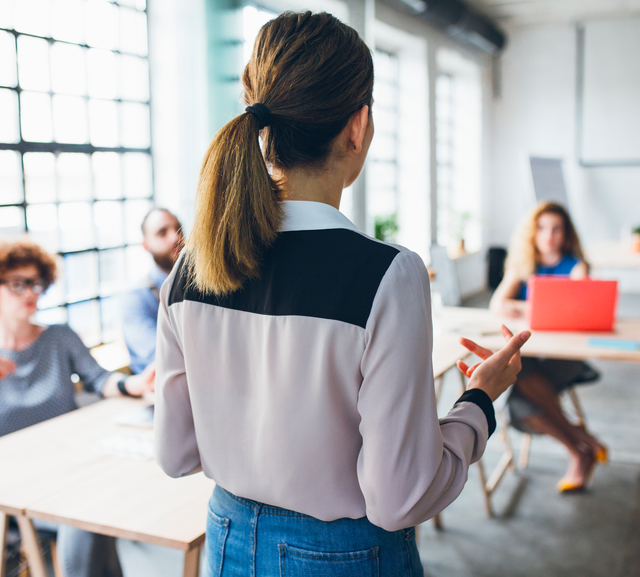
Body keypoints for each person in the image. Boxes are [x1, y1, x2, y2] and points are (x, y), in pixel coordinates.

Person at [153, 11, 530, 576]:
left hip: (226, 541)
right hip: (342, 557)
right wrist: (477, 402)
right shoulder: (387, 274)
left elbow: (177, 453)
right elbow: (399, 497)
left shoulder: (190, 268)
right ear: (358, 127)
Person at [0, 236, 154, 577]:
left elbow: (101, 380)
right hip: (12, 483)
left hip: (72, 470)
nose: (31, 293)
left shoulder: (59, 337)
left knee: (101, 499)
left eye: (36, 284)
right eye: (18, 284)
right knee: (87, 512)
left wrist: (136, 384)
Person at [489, 201, 608, 492]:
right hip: (533, 354)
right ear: (532, 232)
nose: (549, 235)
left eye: (557, 228)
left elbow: (584, 305)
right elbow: (496, 303)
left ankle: (580, 448)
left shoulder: (576, 267)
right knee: (519, 386)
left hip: (565, 356)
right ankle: (580, 444)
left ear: (566, 234)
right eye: (542, 228)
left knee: (518, 394)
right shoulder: (523, 265)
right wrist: (507, 304)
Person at [121, 208, 184, 374]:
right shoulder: (135, 297)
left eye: (179, 229)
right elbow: (161, 357)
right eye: (162, 233)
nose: (176, 237)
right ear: (145, 245)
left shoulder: (200, 284)